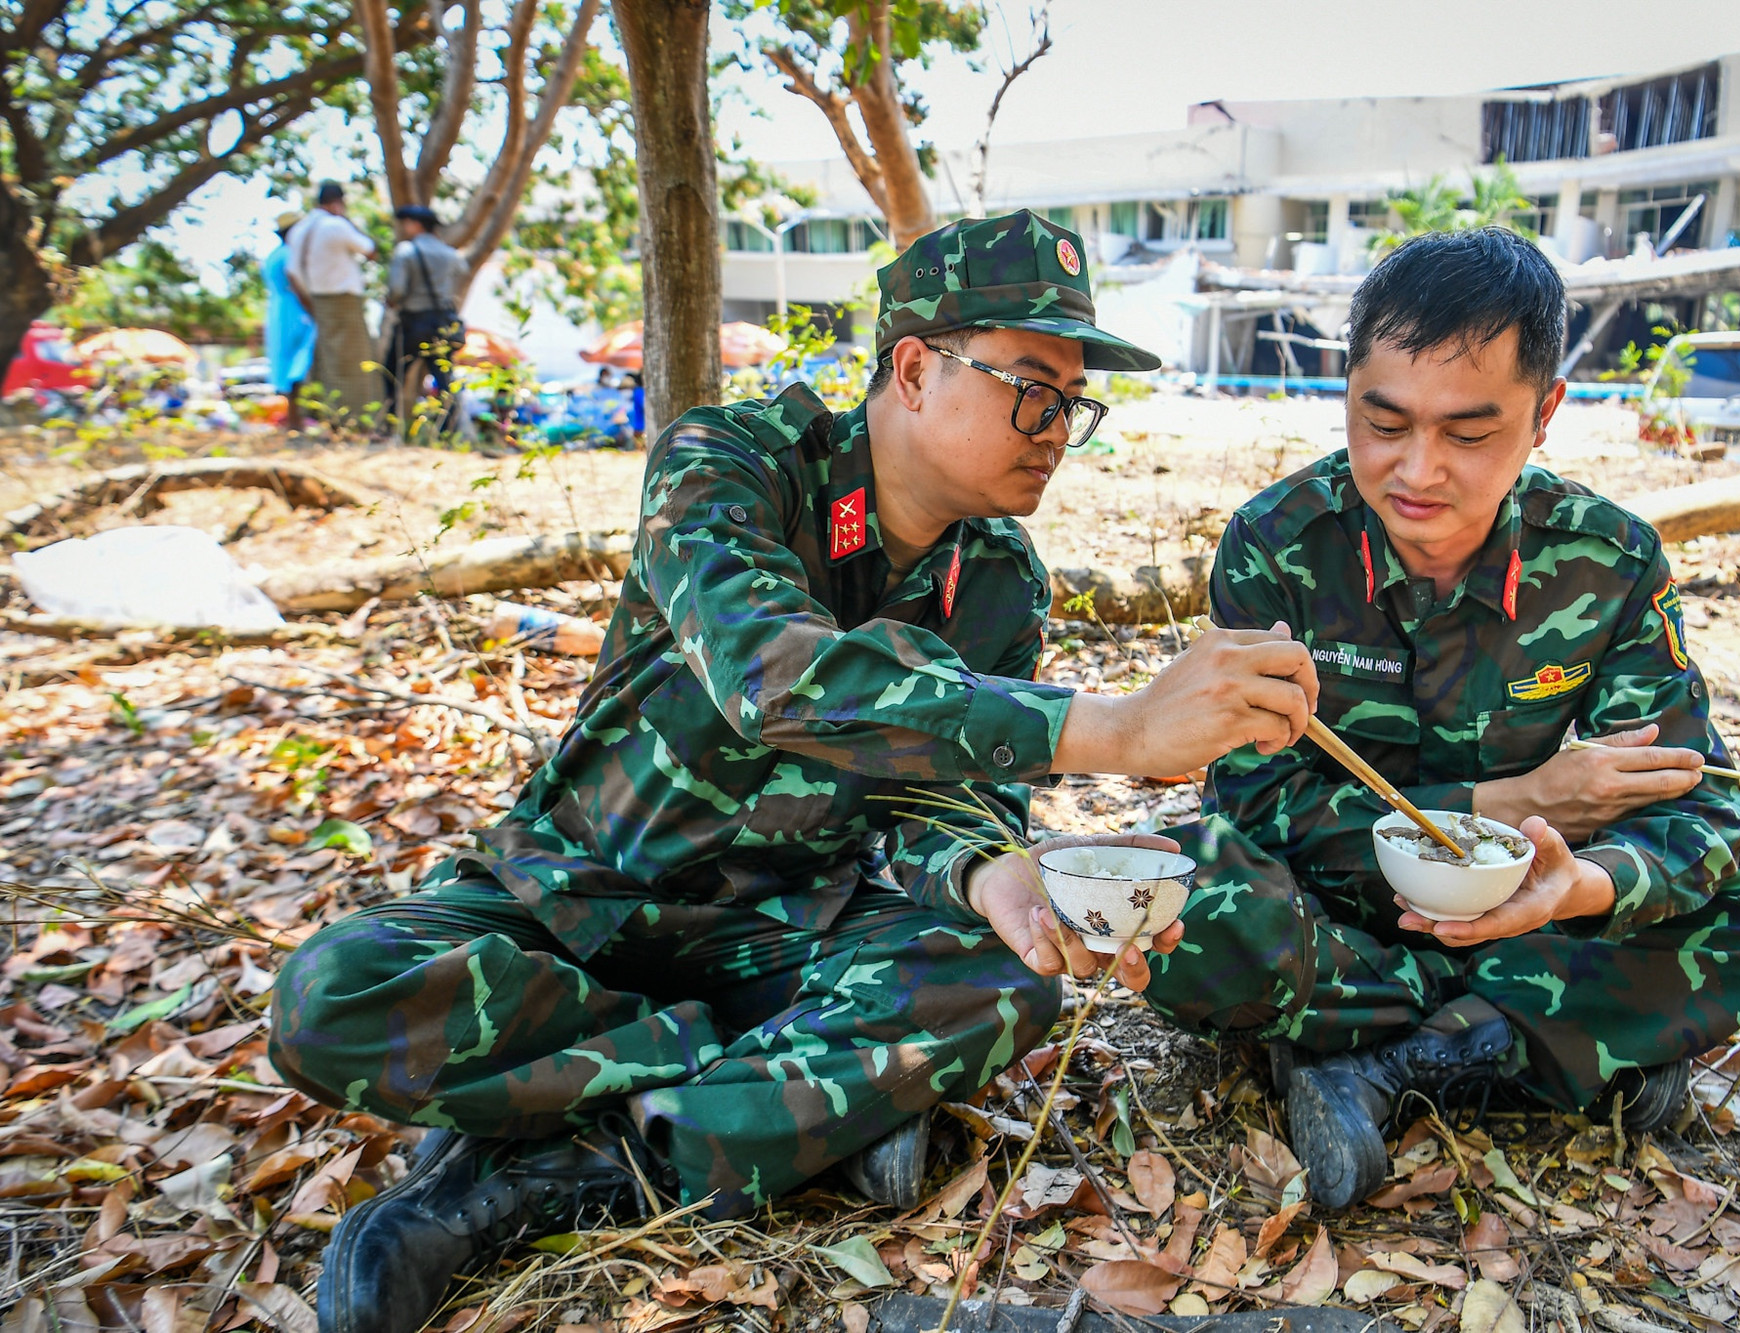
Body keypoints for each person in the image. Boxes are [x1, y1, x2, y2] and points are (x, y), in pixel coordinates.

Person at [268, 211, 1320, 1333]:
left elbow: (942, 804)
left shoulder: (1001, 580)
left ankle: (542, 1169)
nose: (1054, 427)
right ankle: (774, 1096)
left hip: (789, 926)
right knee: (329, 998)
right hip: (575, 903)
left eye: (1070, 400)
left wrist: (987, 873)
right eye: (1030, 386)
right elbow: (776, 673)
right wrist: (1109, 727)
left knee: (1004, 982)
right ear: (913, 369)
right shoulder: (731, 463)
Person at [1143, 227, 1740, 1209]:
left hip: (1532, 912)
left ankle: (1389, 1061)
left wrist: (1578, 889)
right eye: (1380, 422)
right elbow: (1257, 806)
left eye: (1466, 432)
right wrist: (1519, 795)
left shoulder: (1605, 562)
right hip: (1338, 909)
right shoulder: (1279, 542)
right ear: (1345, 389)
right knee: (1180, 896)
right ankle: (1564, 1037)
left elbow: (1701, 816)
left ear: (1543, 412)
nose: (1415, 470)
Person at [286, 181, 379, 428]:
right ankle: (356, 421)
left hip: (315, 300)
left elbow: (292, 273)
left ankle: (328, 418)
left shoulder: (299, 230)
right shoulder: (336, 225)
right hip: (343, 299)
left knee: (328, 362)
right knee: (355, 362)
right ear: (338, 202)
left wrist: (310, 303)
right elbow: (370, 250)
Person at [384, 203, 470, 436]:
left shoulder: (407, 251)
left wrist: (391, 300)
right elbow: (462, 272)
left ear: (415, 225)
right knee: (443, 378)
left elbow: (397, 290)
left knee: (393, 374)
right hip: (441, 322)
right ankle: (447, 431)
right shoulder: (450, 254)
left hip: (414, 322)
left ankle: (389, 426)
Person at [260, 211, 316, 429]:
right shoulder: (289, 254)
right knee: (297, 365)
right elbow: (294, 279)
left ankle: (294, 419)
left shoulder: (273, 254)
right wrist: (310, 308)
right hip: (294, 311)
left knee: (287, 363)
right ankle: (295, 421)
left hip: (279, 310)